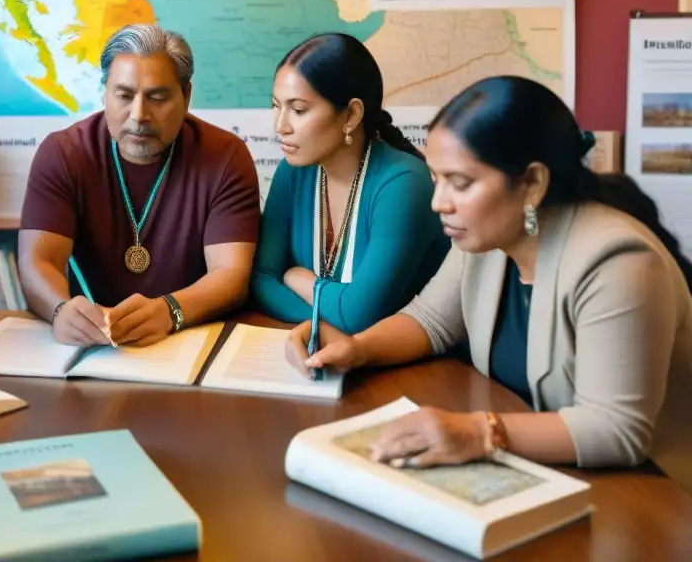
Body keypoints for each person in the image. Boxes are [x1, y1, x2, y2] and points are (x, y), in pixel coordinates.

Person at [287, 75, 692, 489]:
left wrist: (479, 433)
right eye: (436, 178)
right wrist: (356, 349)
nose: (438, 202)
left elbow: (615, 429)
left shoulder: (620, 263)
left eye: (460, 183)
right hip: (554, 475)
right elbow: (432, 320)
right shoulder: (492, 234)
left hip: (651, 495)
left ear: (532, 183)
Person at [18, 23, 261, 348]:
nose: (139, 115)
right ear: (105, 92)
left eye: (157, 98)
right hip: (92, 342)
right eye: (124, 95)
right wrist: (60, 310)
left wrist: (171, 310)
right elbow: (38, 261)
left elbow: (230, 274)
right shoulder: (63, 154)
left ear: (186, 96)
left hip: (189, 337)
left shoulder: (226, 156)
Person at [251, 33, 449, 333]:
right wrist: (331, 314)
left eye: (299, 110)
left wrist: (297, 278)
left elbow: (359, 316)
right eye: (276, 105)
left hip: (418, 370)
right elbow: (261, 279)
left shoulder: (404, 185)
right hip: (326, 355)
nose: (280, 126)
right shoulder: (293, 171)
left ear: (352, 114)